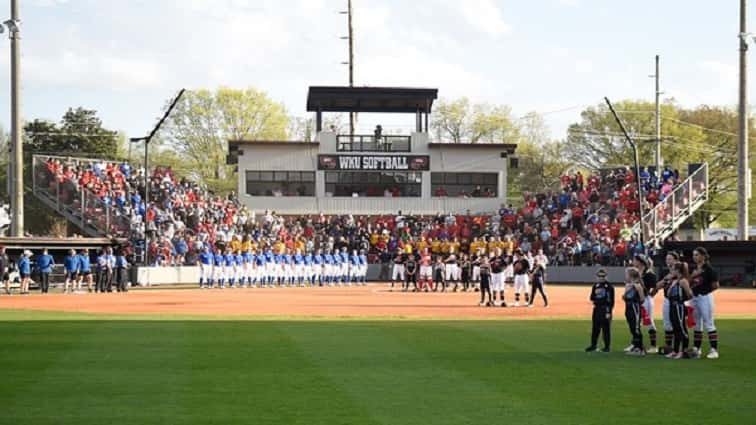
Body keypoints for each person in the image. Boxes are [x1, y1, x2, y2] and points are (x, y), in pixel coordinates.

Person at [689, 247, 720, 359]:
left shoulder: (709, 269)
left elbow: (716, 285)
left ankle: (714, 350)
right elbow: (687, 282)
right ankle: (697, 348)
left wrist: (705, 292)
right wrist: (693, 275)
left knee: (709, 323)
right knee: (697, 323)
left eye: (697, 255)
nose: (695, 257)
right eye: (694, 255)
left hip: (705, 297)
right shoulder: (693, 269)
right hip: (694, 297)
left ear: (703, 256)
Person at [652, 251, 680, 355]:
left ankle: (678, 347)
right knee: (667, 323)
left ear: (676, 260)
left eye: (670, 259)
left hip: (678, 300)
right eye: (667, 259)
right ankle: (669, 346)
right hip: (667, 299)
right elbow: (658, 286)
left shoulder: (680, 270)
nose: (668, 261)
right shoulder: (664, 272)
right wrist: (666, 278)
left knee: (677, 323)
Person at [665, 262, 693, 359]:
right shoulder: (674, 281)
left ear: (678, 270)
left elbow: (690, 294)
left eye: (673, 269)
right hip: (672, 305)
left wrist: (683, 301)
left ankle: (684, 350)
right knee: (675, 328)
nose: (671, 271)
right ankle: (675, 350)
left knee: (681, 328)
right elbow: (668, 295)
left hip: (679, 306)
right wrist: (672, 285)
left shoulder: (683, 281)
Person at [633, 254, 658, 353]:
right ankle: (636, 344)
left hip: (646, 300)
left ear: (640, 262)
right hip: (636, 300)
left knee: (649, 322)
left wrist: (650, 295)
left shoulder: (649, 274)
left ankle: (653, 345)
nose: (633, 262)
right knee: (635, 322)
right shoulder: (635, 272)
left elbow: (653, 289)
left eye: (635, 260)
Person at [587, 268, 614, 352]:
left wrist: (609, 311)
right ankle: (593, 345)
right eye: (599, 276)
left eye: (602, 276)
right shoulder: (595, 286)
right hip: (597, 308)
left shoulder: (609, 286)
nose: (601, 278)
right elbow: (592, 297)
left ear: (606, 276)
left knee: (606, 328)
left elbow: (611, 300)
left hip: (605, 308)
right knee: (595, 328)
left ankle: (607, 346)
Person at [623, 267, 646, 356]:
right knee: (632, 327)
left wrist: (636, 303)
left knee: (636, 328)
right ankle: (636, 346)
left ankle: (639, 348)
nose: (626, 276)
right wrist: (627, 290)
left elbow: (642, 299)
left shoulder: (638, 286)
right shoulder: (628, 285)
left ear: (631, 275)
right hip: (628, 307)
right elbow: (625, 297)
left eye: (627, 274)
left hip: (635, 307)